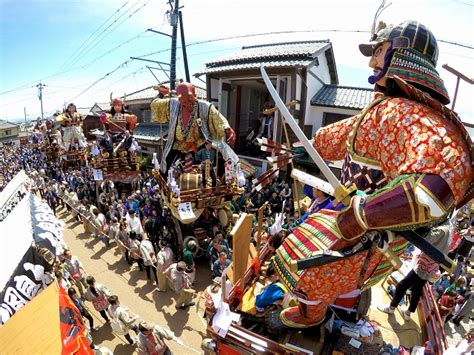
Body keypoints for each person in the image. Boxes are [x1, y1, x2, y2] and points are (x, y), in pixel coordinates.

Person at [273, 20, 473, 328]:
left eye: (378, 51)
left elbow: (436, 188)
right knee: (295, 243)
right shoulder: (384, 110)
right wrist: (304, 151)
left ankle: (311, 314)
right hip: (346, 214)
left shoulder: (408, 116)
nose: (371, 61)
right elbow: (338, 137)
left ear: (401, 55)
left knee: (304, 269)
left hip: (373, 236)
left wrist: (364, 215)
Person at [150, 82, 236, 174]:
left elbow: (218, 118)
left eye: (190, 100)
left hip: (199, 145)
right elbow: (155, 104)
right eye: (184, 102)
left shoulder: (205, 106)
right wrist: (161, 94)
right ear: (179, 100)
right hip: (177, 145)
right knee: (166, 168)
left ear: (195, 94)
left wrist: (228, 129)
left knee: (213, 165)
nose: (188, 104)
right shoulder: (173, 104)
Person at [378, 222, 450, 320]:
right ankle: (408, 313)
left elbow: (426, 239)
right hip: (431, 266)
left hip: (424, 265)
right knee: (417, 290)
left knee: (401, 286)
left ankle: (391, 308)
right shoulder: (449, 231)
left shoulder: (442, 230)